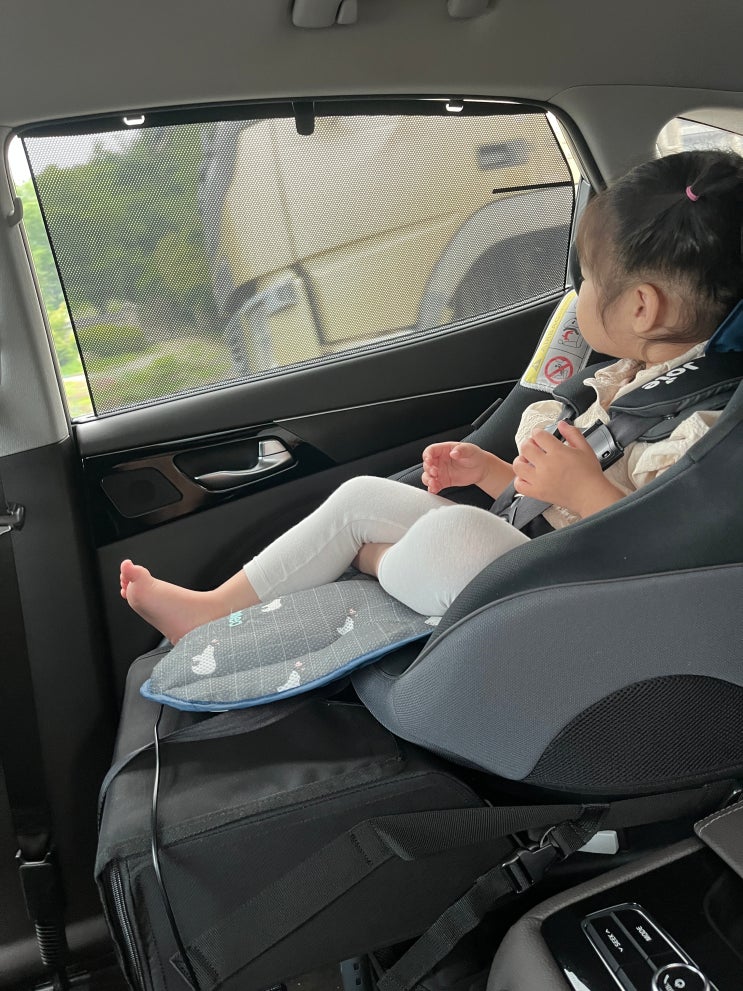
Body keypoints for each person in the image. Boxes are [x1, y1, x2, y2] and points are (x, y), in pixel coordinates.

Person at [121, 149, 743, 643]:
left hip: (574, 595)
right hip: (537, 548)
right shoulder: (630, 380)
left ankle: (376, 561)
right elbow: (552, 505)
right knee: (360, 495)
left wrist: (583, 489)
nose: (578, 295)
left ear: (641, 307)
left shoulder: (702, 423)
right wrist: (495, 472)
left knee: (454, 538)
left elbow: (664, 552)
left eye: (590, 280)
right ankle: (209, 610)